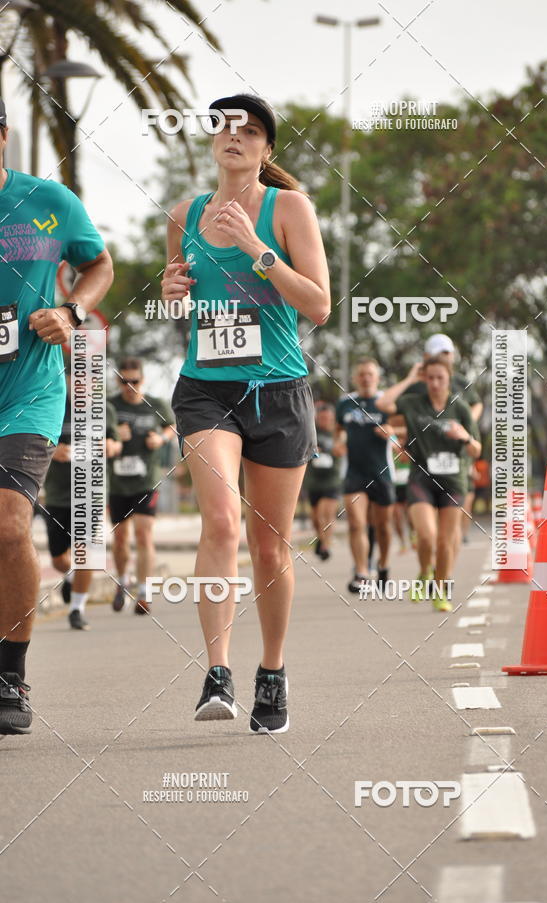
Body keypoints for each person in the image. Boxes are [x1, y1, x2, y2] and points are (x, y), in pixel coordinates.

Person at [162, 94, 330, 733]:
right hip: (206, 389)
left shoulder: (289, 209)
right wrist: (171, 292)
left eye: (250, 130)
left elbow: (318, 306)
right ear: (213, 141)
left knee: (269, 546)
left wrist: (258, 248)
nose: (235, 136)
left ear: (266, 150)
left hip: (279, 392)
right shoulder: (184, 214)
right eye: (225, 127)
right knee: (222, 523)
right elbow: (176, 300)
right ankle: (217, 672)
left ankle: (273, 672)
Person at [0, 98, 113, 735]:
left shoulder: (49, 200)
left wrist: (70, 311)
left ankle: (10, 675)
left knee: (11, 526)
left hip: (30, 390)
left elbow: (98, 264)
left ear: (4, 135)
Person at [379, 355, 481, 612]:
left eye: (440, 378)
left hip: (453, 482)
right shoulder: (413, 403)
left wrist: (466, 437)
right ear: (425, 379)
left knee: (445, 542)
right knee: (426, 536)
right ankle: (425, 572)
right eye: (430, 378)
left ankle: (440, 590)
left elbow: (476, 451)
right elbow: (383, 402)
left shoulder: (460, 408)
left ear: (449, 380)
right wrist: (411, 377)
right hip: (421, 479)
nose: (435, 383)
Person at [376, 333, 483, 545]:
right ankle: (426, 543)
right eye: (440, 353)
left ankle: (455, 542)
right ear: (427, 357)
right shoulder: (418, 385)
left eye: (448, 353)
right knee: (428, 531)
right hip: (423, 456)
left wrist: (465, 427)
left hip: (456, 454)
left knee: (447, 535)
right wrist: (406, 433)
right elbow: (390, 410)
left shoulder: (460, 383)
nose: (435, 383)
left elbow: (477, 404)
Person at [42, 363, 121, 629]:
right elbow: (38, 440)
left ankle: (77, 609)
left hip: (92, 491)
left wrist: (110, 445)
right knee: (56, 557)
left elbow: (115, 442)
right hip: (57, 492)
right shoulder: (54, 404)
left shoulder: (105, 410)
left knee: (85, 552)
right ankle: (72, 576)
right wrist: (53, 452)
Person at [108, 358, 175, 615]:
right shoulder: (111, 406)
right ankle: (123, 580)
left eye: (134, 381)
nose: (129, 386)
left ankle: (145, 593)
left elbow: (171, 427)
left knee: (144, 533)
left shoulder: (155, 404)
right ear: (117, 381)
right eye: (124, 381)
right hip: (117, 483)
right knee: (121, 537)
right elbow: (95, 432)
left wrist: (161, 438)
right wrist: (114, 434)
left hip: (147, 480)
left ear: (142, 380)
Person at [335, 359, 395, 593]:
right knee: (356, 524)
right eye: (361, 374)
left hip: (381, 471)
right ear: (355, 378)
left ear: (377, 377)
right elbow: (339, 429)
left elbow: (404, 429)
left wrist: (391, 432)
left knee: (383, 526)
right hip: (354, 472)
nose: (366, 378)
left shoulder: (386, 403)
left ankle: (383, 565)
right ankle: (361, 572)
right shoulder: (344, 403)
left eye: (370, 374)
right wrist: (340, 443)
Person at [305, 402, 344, 561]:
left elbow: (341, 451)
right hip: (314, 480)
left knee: (326, 514)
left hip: (332, 480)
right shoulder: (311, 432)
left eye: (328, 418)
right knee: (315, 518)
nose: (325, 420)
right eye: (322, 417)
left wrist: (327, 449)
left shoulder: (338, 433)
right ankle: (320, 538)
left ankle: (325, 545)